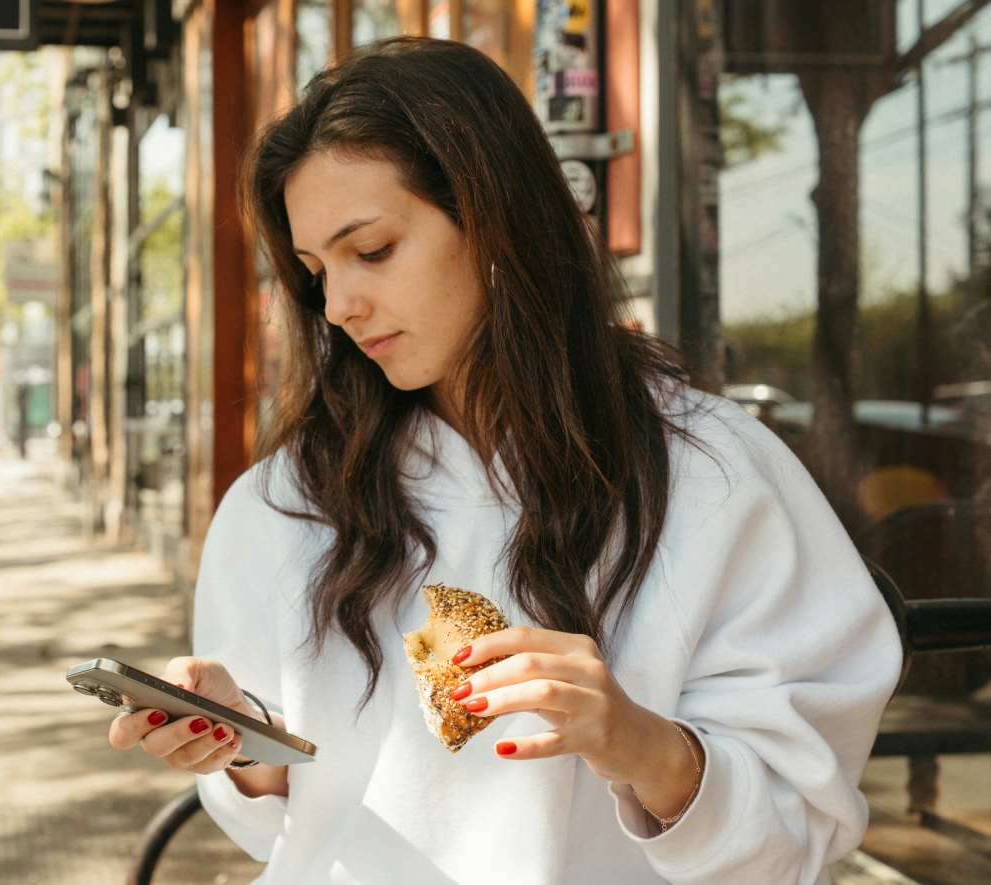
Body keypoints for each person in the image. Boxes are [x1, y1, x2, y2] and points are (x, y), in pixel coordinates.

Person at [109, 38, 901, 885]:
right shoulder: (288, 501)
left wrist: (637, 741)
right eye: (315, 273)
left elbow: (795, 828)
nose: (339, 306)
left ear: (495, 218)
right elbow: (287, 825)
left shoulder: (710, 473)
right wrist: (239, 741)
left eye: (371, 250)